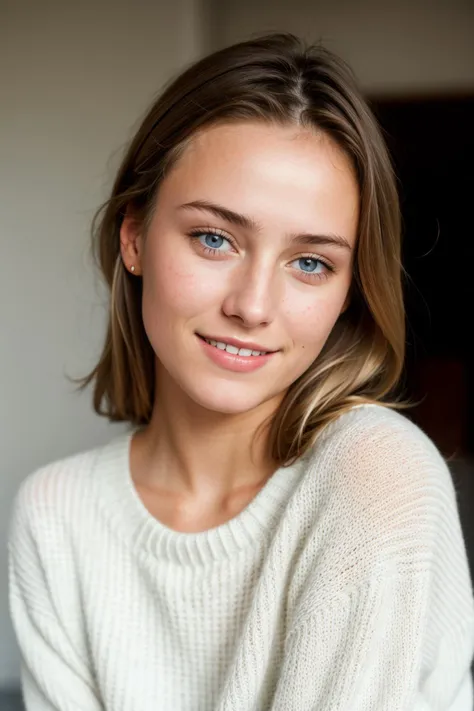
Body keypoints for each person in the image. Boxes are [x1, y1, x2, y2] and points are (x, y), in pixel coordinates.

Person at [8, 32, 474, 711]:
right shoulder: (56, 514)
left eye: (310, 261)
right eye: (215, 238)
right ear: (133, 236)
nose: (252, 306)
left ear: (349, 289)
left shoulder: (375, 472)